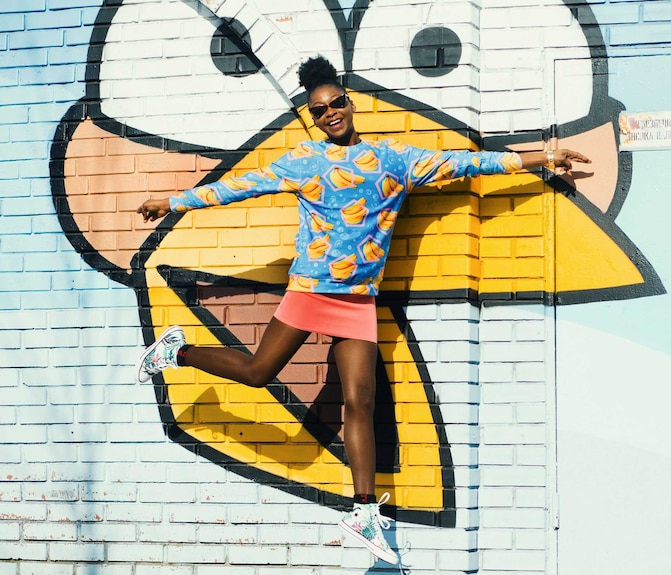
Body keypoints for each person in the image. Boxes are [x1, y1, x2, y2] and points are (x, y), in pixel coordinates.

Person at [134, 55, 590, 564]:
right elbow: (238, 187)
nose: (330, 113)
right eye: (319, 109)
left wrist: (541, 156)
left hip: (358, 301)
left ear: (350, 104)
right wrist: (172, 202)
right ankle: (179, 350)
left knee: (361, 401)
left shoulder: (395, 159)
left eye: (336, 103)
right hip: (309, 291)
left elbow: (468, 162)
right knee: (259, 372)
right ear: (313, 118)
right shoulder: (304, 160)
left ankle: (364, 510)